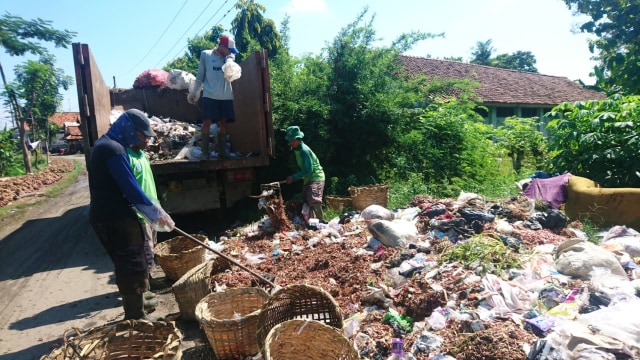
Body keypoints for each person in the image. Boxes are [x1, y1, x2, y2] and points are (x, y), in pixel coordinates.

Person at [88, 109, 175, 321]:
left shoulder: (110, 145)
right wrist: (157, 214)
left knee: (130, 261)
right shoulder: (113, 150)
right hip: (115, 217)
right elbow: (130, 187)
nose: (145, 140)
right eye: (142, 135)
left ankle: (139, 302)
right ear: (128, 128)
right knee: (132, 264)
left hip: (111, 214)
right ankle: (136, 317)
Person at [188, 34, 239, 159]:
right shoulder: (206, 55)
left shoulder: (229, 57)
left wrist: (229, 60)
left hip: (225, 95)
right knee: (207, 122)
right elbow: (200, 76)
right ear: (221, 46)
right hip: (210, 95)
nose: (230, 52)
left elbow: (232, 66)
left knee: (223, 123)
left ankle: (222, 152)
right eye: (229, 49)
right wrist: (194, 92)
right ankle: (205, 153)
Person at [284, 126, 325, 222]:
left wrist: (294, 177)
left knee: (313, 199)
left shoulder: (304, 151)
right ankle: (311, 222)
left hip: (316, 176)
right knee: (306, 199)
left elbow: (309, 170)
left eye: (292, 141)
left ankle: (321, 222)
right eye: (289, 141)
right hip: (309, 178)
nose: (290, 143)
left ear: (298, 139)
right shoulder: (297, 149)